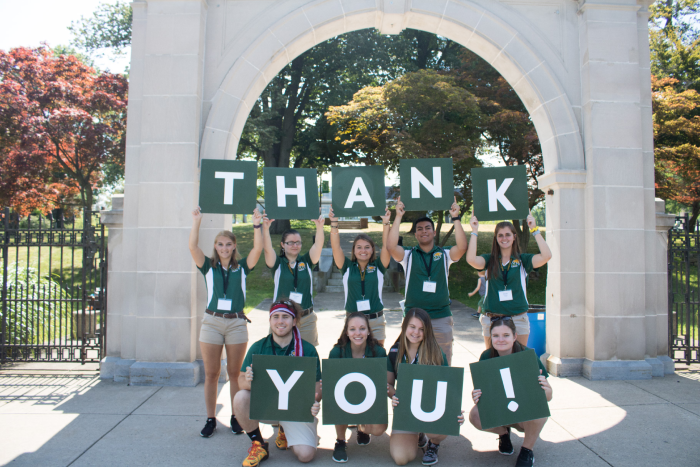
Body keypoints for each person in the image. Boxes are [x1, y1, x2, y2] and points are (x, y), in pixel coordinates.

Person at [189, 206, 264, 438]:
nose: (224, 248)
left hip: (236, 323)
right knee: (211, 373)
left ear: (234, 247)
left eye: (228, 244)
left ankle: (235, 416)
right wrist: (197, 221)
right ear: (215, 246)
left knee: (234, 373)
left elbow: (258, 248)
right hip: (212, 322)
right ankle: (211, 418)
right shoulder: (208, 267)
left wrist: (256, 224)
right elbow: (192, 247)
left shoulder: (241, 268)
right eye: (220, 244)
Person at [233, 300, 322, 466]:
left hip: (296, 408)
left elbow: (317, 385)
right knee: (240, 397)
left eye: (285, 317)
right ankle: (258, 443)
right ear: (270, 320)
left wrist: (315, 401)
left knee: (306, 455)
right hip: (268, 405)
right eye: (276, 317)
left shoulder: (307, 349)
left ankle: (285, 430)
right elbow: (240, 382)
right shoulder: (259, 347)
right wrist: (248, 379)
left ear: (294, 321)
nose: (280, 321)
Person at [386, 197, 467, 365]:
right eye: (420, 229)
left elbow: (461, 248)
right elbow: (391, 247)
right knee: (414, 364)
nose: (424, 231)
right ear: (415, 234)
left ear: (434, 232)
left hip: (440, 317)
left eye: (427, 228)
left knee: (442, 365)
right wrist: (398, 216)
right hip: (414, 320)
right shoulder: (409, 255)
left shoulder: (444, 255)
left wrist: (456, 218)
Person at [469, 317, 552, 467]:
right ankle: (504, 434)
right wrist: (476, 395)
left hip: (523, 412)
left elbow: (548, 397)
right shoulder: (486, 356)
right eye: (495, 336)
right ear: (491, 337)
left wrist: (546, 389)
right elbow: (484, 394)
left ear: (514, 336)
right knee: (475, 415)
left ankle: (527, 450)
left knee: (541, 411)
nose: (500, 339)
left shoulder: (528, 356)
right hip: (501, 409)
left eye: (506, 335)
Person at [387, 308, 465, 466]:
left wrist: (454, 410)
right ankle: (417, 434)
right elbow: (388, 384)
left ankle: (433, 444)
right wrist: (395, 395)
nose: (416, 332)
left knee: (440, 428)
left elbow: (448, 386)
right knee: (401, 457)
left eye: (422, 329)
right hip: (406, 410)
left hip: (430, 408)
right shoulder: (395, 351)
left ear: (427, 330)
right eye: (412, 327)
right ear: (404, 327)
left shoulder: (435, 352)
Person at [465, 213, 552, 348]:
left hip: (517, 318)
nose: (504, 238)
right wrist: (474, 231)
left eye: (507, 234)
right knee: (493, 362)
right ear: (496, 238)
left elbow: (547, 256)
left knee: (518, 361)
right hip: (492, 318)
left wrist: (534, 230)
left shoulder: (523, 260)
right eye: (500, 235)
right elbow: (471, 259)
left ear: (514, 237)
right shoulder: (489, 260)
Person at [328, 312, 389, 462]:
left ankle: (361, 427)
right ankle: (340, 441)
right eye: (353, 329)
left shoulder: (379, 352)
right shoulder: (337, 352)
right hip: (345, 396)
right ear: (347, 332)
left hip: (368, 397)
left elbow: (383, 385)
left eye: (362, 328)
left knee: (379, 429)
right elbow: (331, 388)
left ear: (368, 331)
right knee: (338, 399)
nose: (358, 333)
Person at [329, 207, 392, 346]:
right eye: (359, 247)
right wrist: (334, 223)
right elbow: (336, 248)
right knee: (355, 360)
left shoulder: (379, 266)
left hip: (375, 321)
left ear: (372, 250)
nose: (363, 250)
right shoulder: (347, 267)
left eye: (367, 247)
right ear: (354, 250)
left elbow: (387, 247)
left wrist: (386, 223)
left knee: (377, 360)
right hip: (353, 322)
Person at [262, 209, 325, 346]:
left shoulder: (306, 261)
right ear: (283, 245)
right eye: (290, 242)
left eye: (298, 242)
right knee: (279, 358)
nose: (295, 245)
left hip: (306, 318)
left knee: (308, 360)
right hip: (282, 320)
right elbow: (267, 249)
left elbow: (318, 245)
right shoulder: (277, 263)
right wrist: (265, 229)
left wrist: (319, 227)